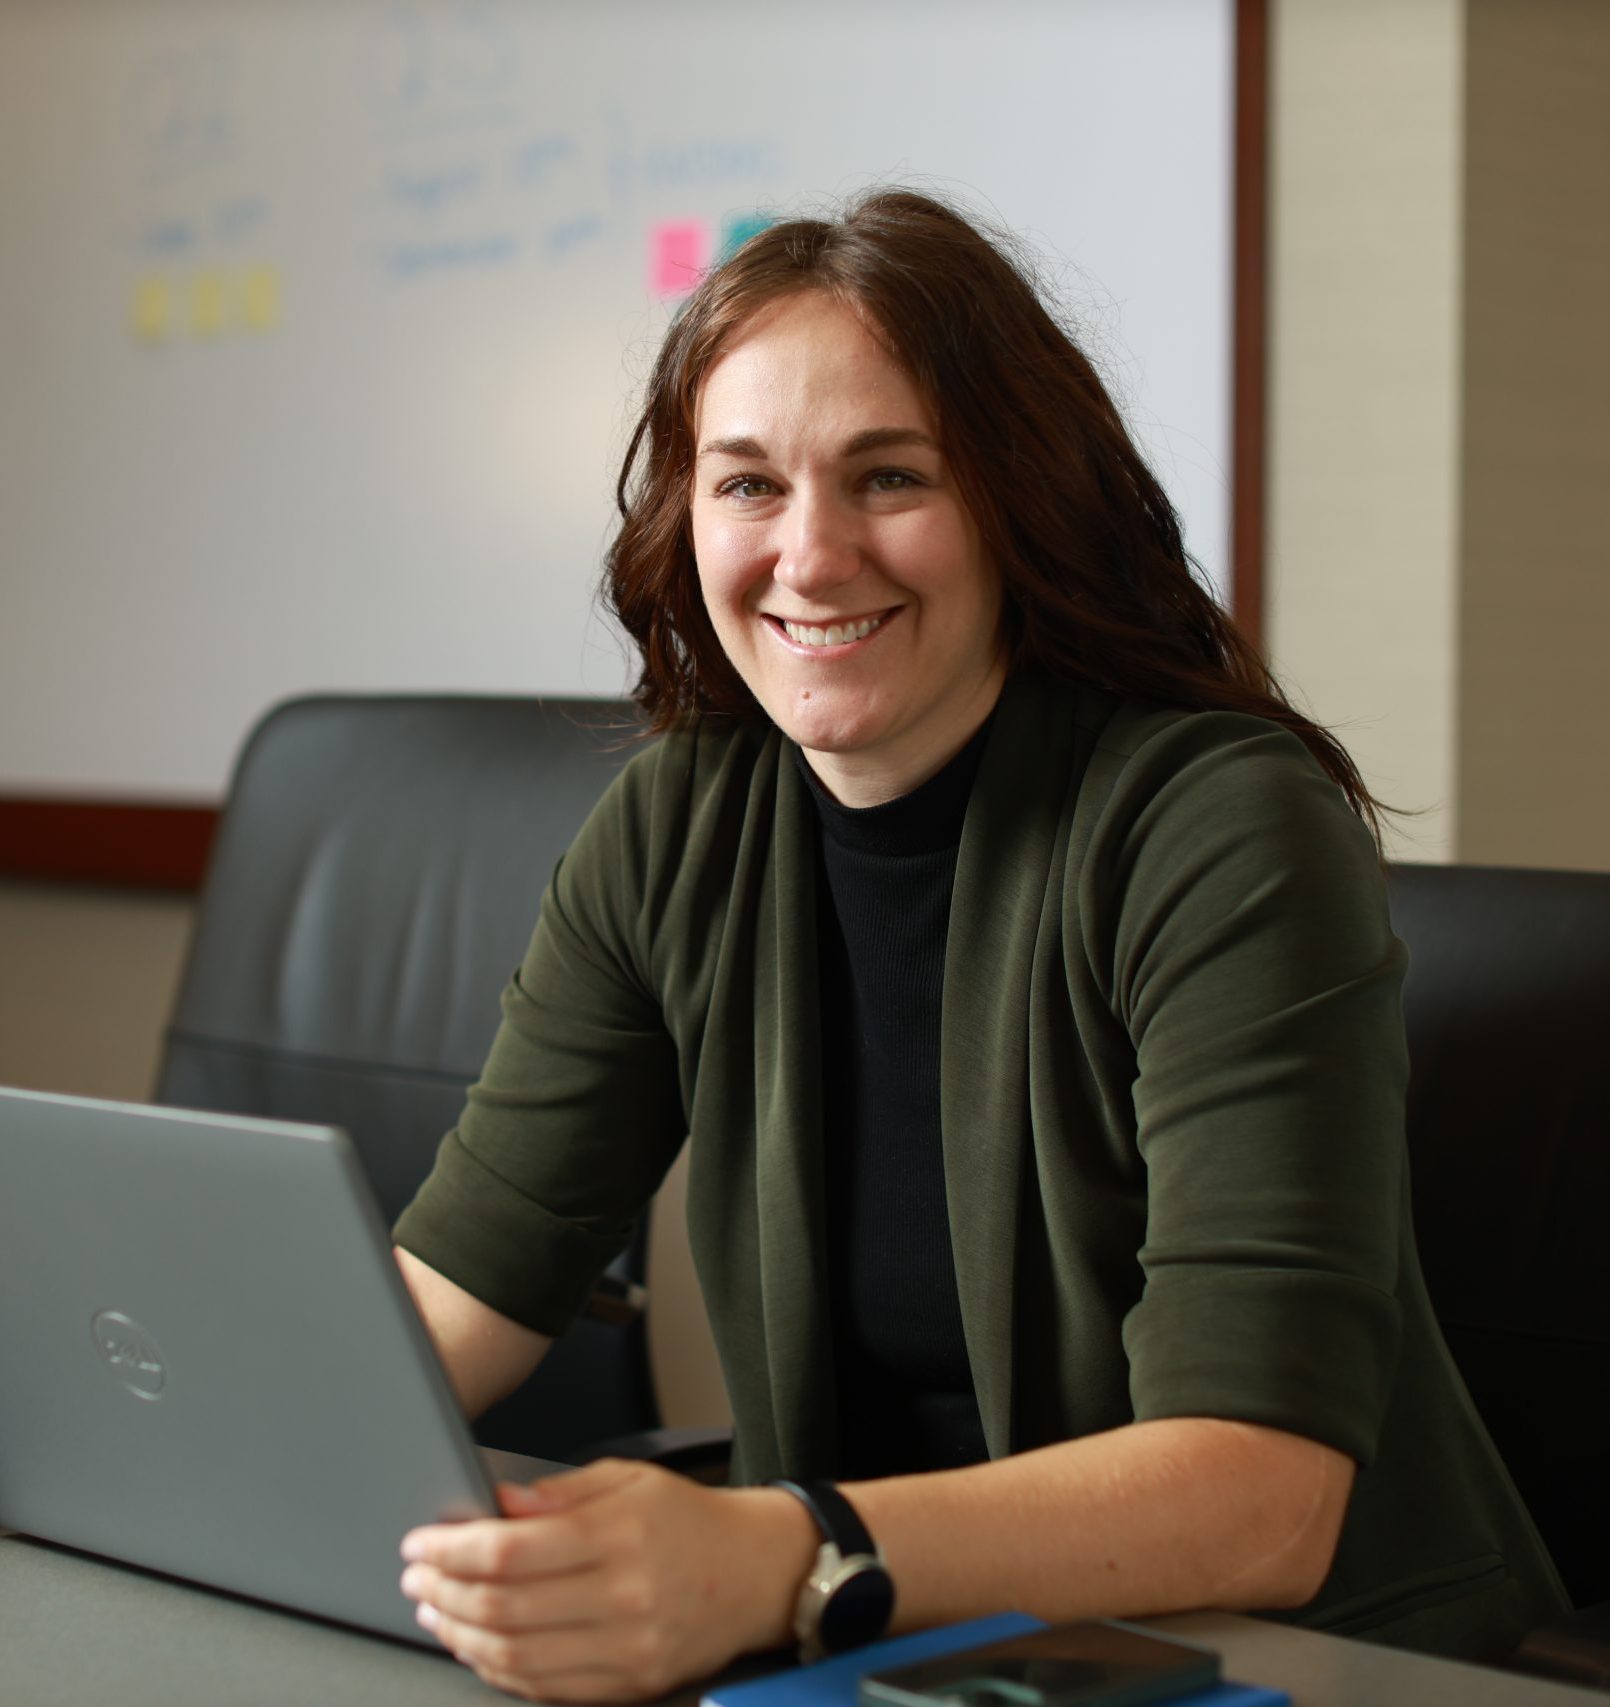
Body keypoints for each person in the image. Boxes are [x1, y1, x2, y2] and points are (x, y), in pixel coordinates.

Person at [389, 190, 1567, 1702]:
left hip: (1295, 1659)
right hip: (892, 1654)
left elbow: (1263, 1494)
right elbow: (453, 1303)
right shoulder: (675, 826)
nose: (807, 558)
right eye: (746, 485)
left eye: (888, 477)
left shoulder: (1214, 827)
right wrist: (193, 1434)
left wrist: (770, 1549)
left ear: (1021, 498)